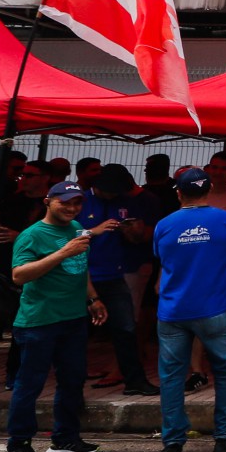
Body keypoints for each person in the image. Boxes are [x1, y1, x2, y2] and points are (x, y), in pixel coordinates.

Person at [2, 182, 114, 452]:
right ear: (48, 201)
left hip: (73, 318)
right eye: (65, 202)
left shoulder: (76, 228)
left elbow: (81, 266)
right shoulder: (31, 236)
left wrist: (93, 298)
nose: (72, 208)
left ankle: (65, 438)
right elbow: (19, 275)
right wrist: (62, 252)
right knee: (30, 383)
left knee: (73, 380)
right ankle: (18, 444)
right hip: (39, 321)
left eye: (77, 202)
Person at [153, 167, 226, 452]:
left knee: (171, 377)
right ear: (208, 190)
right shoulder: (225, 219)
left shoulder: (164, 225)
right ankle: (225, 437)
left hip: (173, 309)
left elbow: (161, 257)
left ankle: (172, 443)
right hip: (215, 307)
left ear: (179, 192)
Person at [82, 165, 158, 397]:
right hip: (83, 277)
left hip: (116, 275)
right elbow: (63, 236)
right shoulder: (79, 201)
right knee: (78, 331)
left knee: (126, 328)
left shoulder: (126, 202)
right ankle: (72, 382)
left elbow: (139, 237)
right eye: (109, 191)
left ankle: (135, 380)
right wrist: (94, 231)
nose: (113, 195)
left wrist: (132, 231)